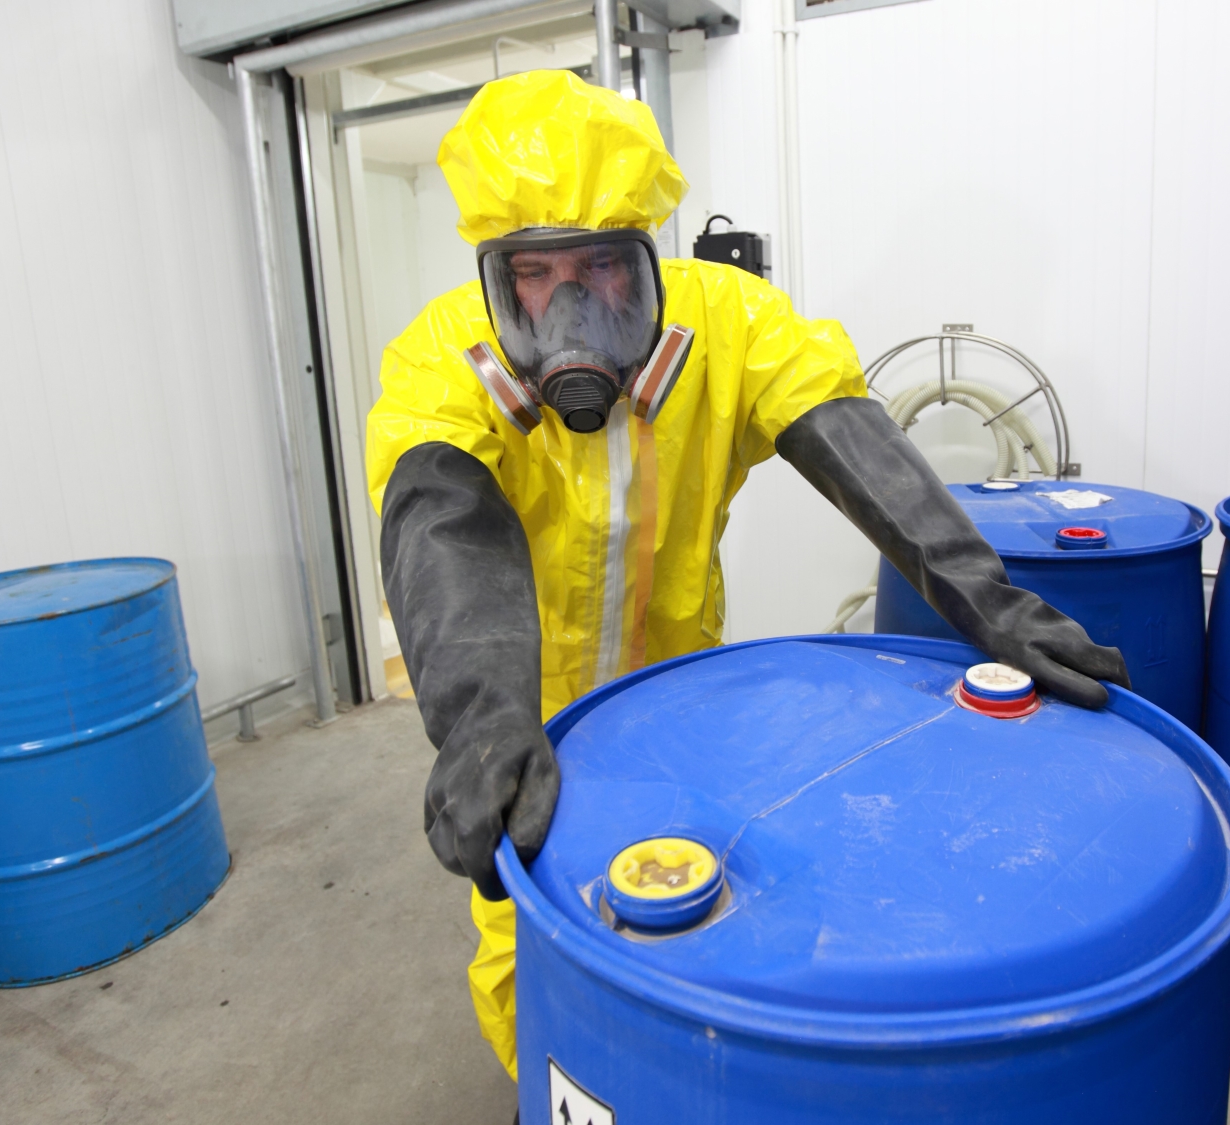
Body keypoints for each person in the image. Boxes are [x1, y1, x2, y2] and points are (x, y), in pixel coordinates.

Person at [365, 69, 1130, 1083]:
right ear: (494, 283)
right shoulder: (441, 362)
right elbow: (442, 523)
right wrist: (479, 718)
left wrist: (980, 596)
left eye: (599, 268)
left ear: (648, 263)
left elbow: (847, 439)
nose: (570, 311)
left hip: (683, 694)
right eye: (536, 278)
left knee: (700, 911)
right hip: (527, 714)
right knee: (538, 938)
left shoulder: (728, 327)